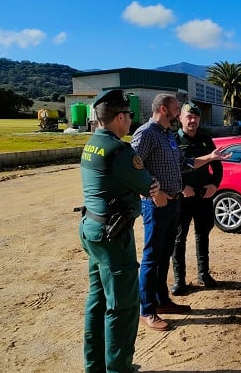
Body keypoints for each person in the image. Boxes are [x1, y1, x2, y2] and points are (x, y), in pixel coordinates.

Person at [78, 89, 160, 372]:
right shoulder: (120, 150)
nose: (130, 123)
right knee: (123, 307)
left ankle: (95, 366)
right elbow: (148, 185)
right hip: (113, 236)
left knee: (98, 300)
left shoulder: (92, 144)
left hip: (93, 230)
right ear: (120, 117)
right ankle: (118, 369)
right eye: (128, 117)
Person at [131, 93, 228, 331]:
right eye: (176, 108)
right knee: (152, 258)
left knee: (164, 255)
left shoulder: (167, 136)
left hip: (174, 203)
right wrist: (154, 191)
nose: (178, 112)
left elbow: (183, 164)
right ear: (164, 109)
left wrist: (210, 157)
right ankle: (147, 310)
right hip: (156, 205)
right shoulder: (146, 133)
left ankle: (162, 301)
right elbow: (132, 167)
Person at [171, 103, 222, 294]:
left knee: (203, 235)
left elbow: (217, 167)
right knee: (179, 238)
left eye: (196, 117)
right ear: (180, 118)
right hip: (182, 198)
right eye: (189, 117)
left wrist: (214, 185)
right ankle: (179, 280)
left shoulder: (206, 140)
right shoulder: (173, 140)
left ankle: (204, 274)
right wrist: (182, 187)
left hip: (203, 196)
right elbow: (169, 169)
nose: (192, 121)